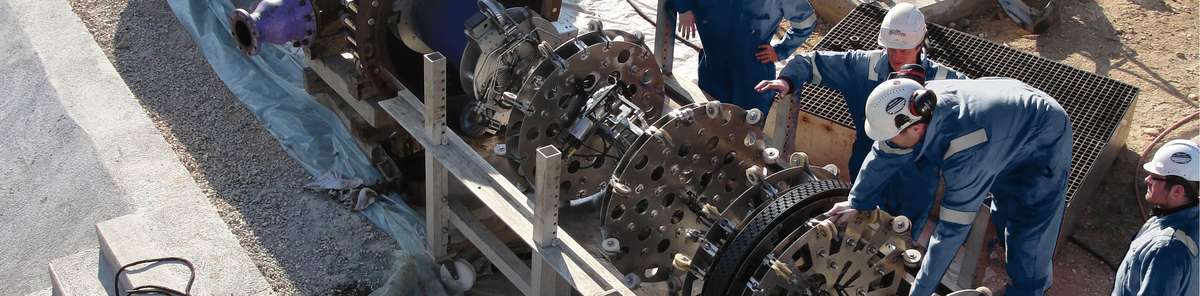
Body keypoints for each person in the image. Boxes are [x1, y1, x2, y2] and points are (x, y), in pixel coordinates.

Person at [825, 77, 1073, 296]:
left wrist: (920, 291)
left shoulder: (966, 151)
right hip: (1003, 116)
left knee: (1027, 225)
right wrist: (857, 201)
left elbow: (951, 231)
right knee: (1003, 212)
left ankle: (1029, 288)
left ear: (917, 127)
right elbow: (885, 152)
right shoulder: (918, 103)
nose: (888, 143)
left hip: (1042, 136)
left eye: (892, 137)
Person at [754, 3, 967, 238]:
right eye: (890, 48)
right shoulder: (865, 67)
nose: (896, 57)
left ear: (921, 43)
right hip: (868, 167)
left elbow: (976, 105)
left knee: (901, 239)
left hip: (916, 182)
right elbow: (810, 62)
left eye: (904, 50)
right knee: (858, 233)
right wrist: (787, 81)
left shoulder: (943, 81)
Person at [674, 0, 816, 115]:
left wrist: (780, 50)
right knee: (709, 117)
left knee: (747, 128)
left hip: (751, 75)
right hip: (712, 68)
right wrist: (683, 7)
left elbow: (805, 20)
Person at [1112, 139, 1199, 296]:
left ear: (1178, 191)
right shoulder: (1191, 217)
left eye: (1155, 176)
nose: (1147, 179)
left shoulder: (1165, 250)